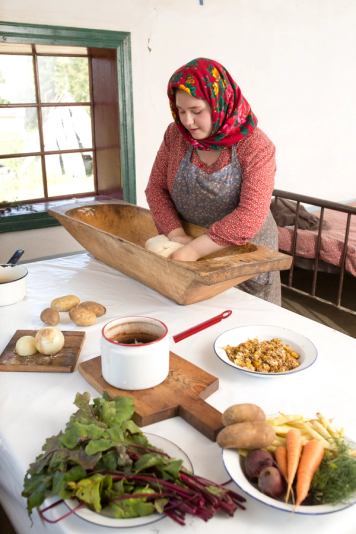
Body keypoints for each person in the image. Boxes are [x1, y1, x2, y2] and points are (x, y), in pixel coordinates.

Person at [145, 57, 281, 305]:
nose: (187, 121)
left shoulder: (256, 147)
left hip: (244, 256)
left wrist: (195, 250)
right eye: (180, 110)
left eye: (196, 111)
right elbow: (155, 189)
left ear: (220, 104)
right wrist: (177, 236)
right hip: (187, 249)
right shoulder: (176, 136)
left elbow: (250, 215)